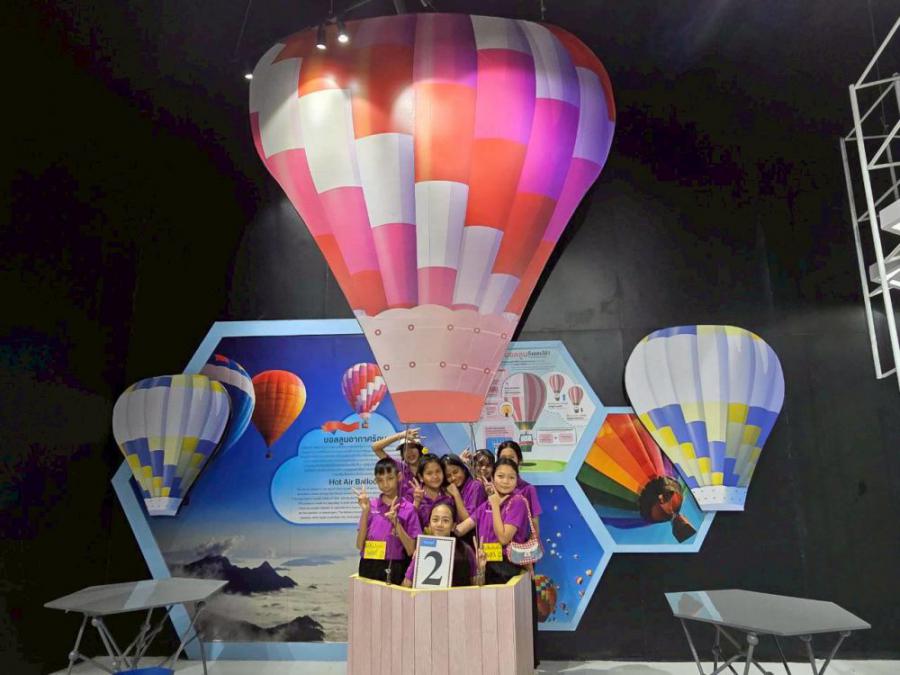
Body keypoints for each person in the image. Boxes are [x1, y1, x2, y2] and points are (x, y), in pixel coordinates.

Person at [455, 456, 540, 667]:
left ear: (517, 480)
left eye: (511, 477)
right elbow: (461, 529)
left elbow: (503, 538)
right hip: (485, 569)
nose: (505, 481)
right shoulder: (485, 504)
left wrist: (494, 505)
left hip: (507, 569)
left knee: (505, 625)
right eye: (501, 476)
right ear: (492, 478)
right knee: (487, 624)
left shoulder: (517, 502)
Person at [353, 458, 421, 584]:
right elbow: (359, 545)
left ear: (399, 477)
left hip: (395, 566)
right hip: (368, 564)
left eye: (390, 478)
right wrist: (365, 512)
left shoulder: (409, 509)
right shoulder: (370, 506)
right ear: (375, 481)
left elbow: (411, 550)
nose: (385, 484)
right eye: (380, 480)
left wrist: (396, 523)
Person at [401, 503, 485, 587]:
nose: (439, 524)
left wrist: (481, 569)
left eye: (445, 520)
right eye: (435, 520)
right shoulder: (423, 550)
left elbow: (477, 585)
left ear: (453, 526)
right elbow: (406, 584)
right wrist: (416, 563)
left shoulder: (465, 550)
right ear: (429, 525)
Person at [496, 440, 542, 538]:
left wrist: (531, 546)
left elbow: (535, 527)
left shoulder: (528, 489)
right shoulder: (492, 488)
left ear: (519, 461)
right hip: (491, 545)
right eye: (503, 458)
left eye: (511, 458)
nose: (507, 462)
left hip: (517, 545)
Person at [371, 427, 424, 501]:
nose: (409, 452)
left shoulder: (428, 468)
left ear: (419, 449)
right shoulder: (397, 466)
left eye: (412, 447)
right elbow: (375, 447)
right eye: (405, 449)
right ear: (402, 453)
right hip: (403, 508)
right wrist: (401, 435)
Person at [411, 455, 455, 528]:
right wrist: (416, 503)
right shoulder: (411, 494)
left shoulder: (449, 495)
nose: (435, 476)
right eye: (429, 473)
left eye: (438, 471)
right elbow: (408, 524)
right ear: (421, 477)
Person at [441, 453, 486, 523]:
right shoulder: (447, 490)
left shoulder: (476, 486)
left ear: (463, 469)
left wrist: (456, 495)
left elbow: (467, 521)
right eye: (448, 476)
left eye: (455, 472)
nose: (453, 478)